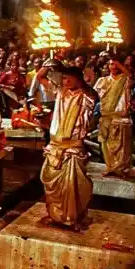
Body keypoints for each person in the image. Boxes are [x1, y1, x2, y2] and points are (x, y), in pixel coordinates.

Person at [36, 64, 96, 229]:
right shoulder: (60, 92)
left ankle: (72, 217)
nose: (66, 81)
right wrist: (48, 64)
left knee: (72, 185)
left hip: (72, 148)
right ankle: (55, 215)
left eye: (70, 77)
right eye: (63, 78)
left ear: (78, 79)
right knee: (51, 182)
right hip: (55, 145)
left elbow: (92, 93)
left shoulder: (85, 97)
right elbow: (40, 77)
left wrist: (82, 79)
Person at [94, 58, 135, 179]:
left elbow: (132, 77)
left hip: (121, 117)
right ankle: (111, 167)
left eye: (115, 64)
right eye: (110, 64)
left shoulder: (125, 79)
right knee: (106, 145)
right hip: (106, 117)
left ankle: (123, 169)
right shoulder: (102, 80)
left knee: (123, 146)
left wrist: (119, 63)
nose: (113, 66)